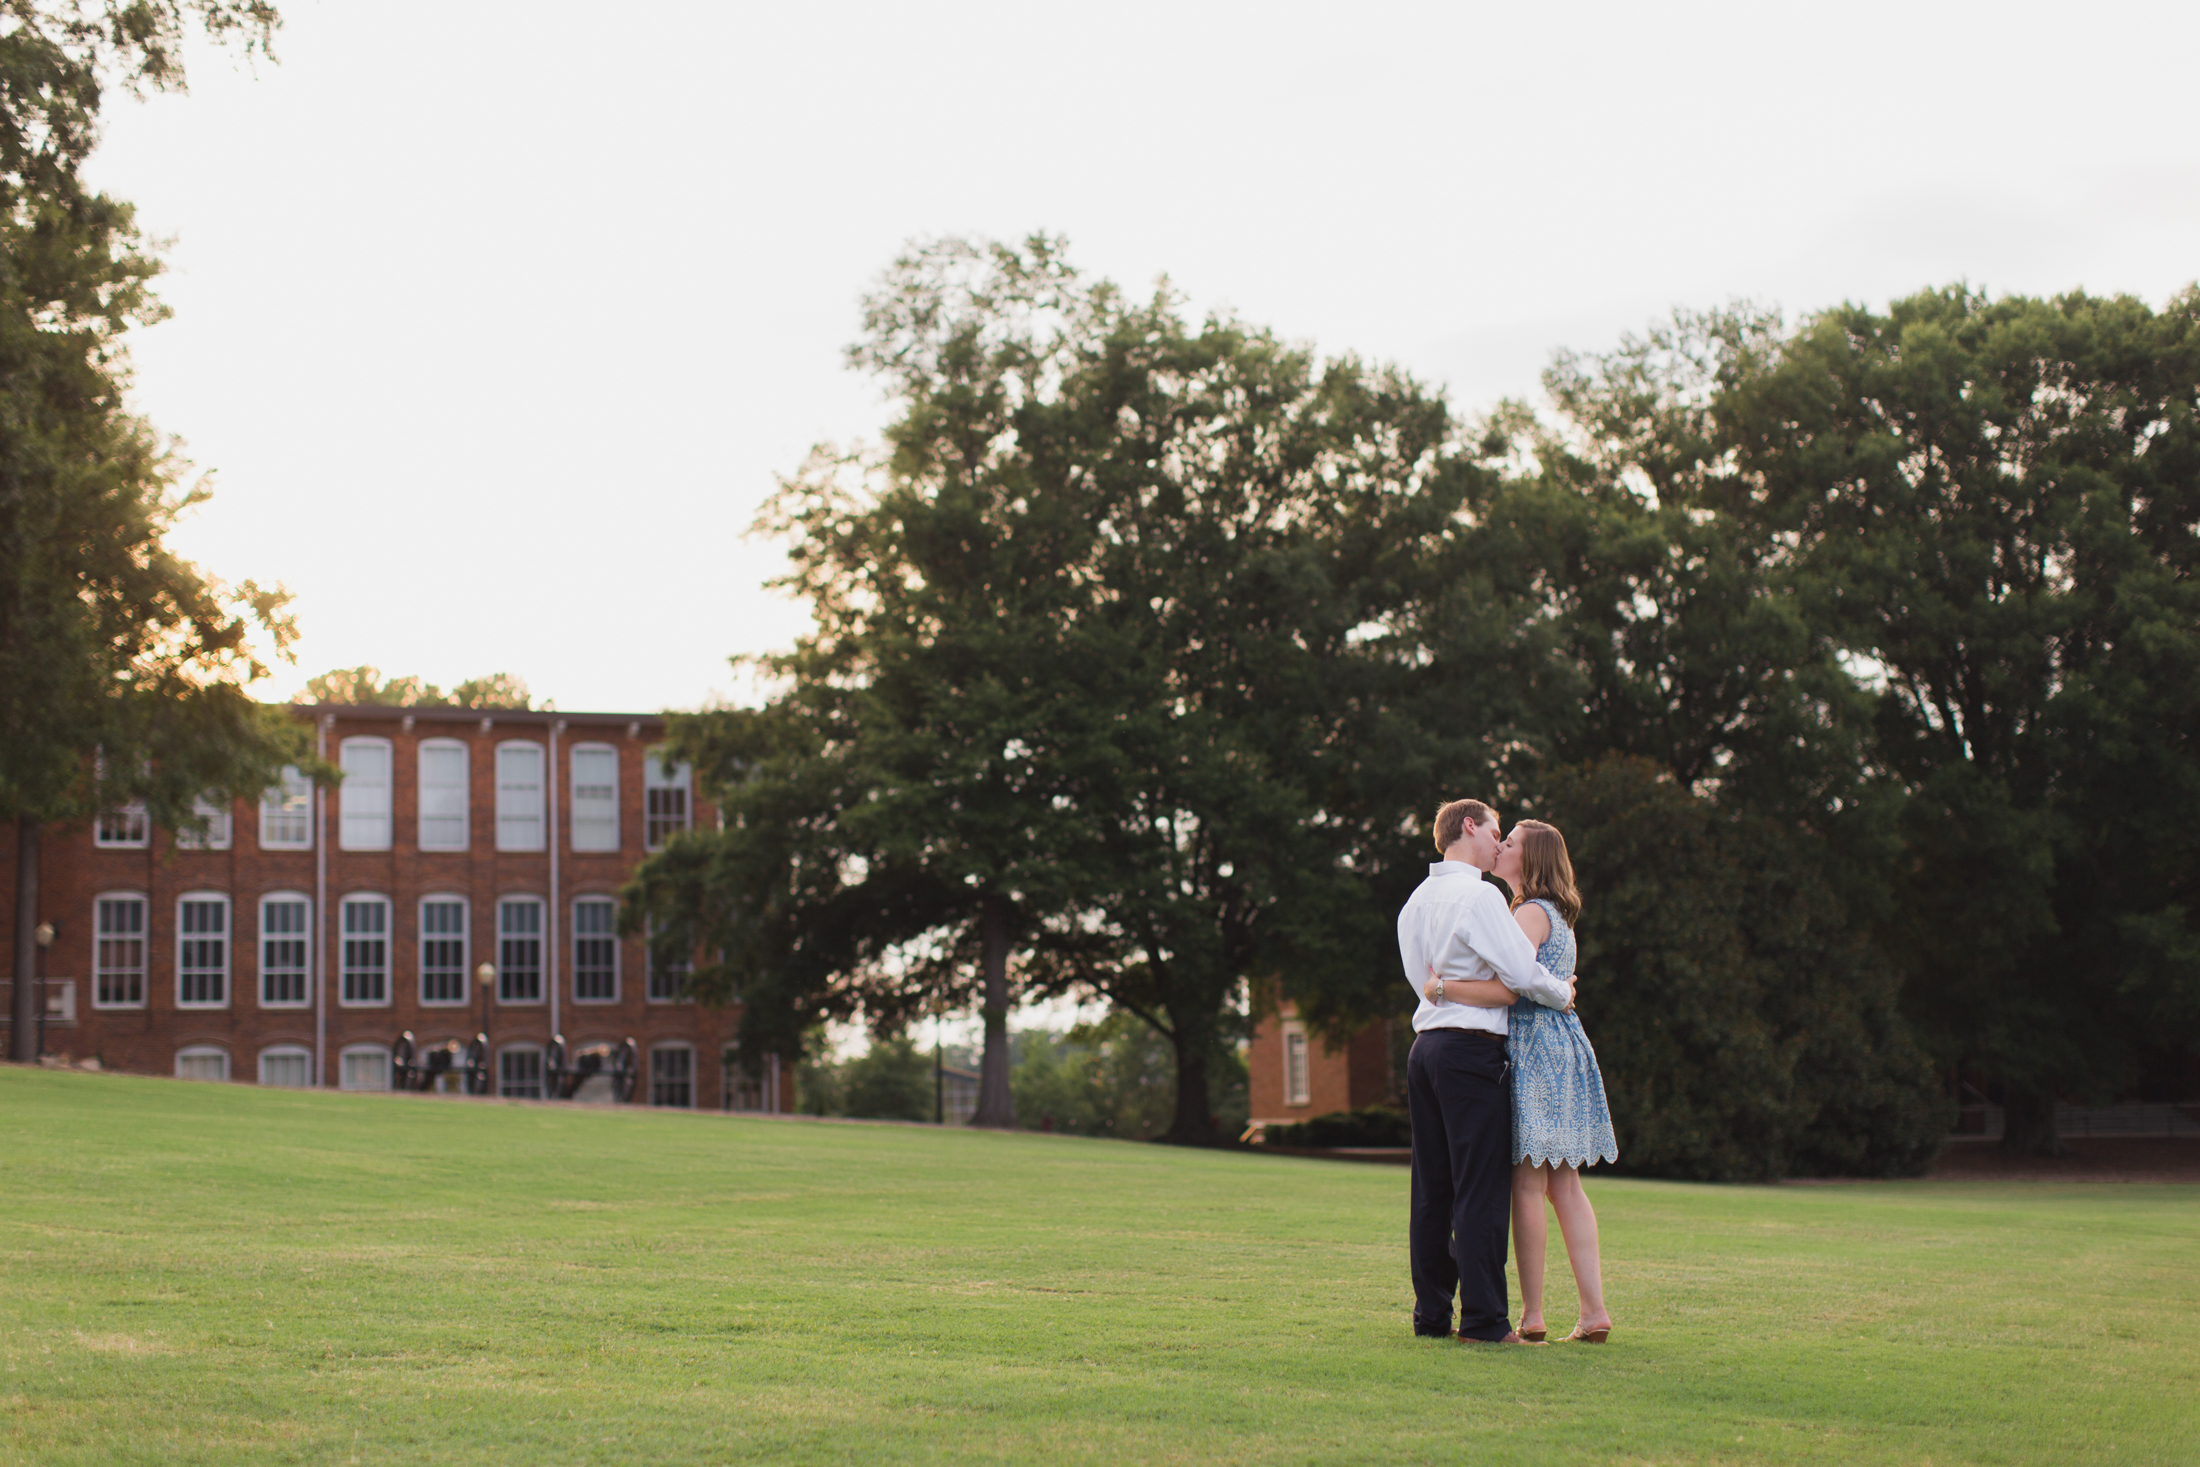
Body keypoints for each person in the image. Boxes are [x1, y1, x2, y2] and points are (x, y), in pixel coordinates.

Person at [1424, 819, 1616, 1344]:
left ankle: (1532, 1316)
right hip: (1565, 1046)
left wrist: (1442, 986)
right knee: (1565, 1186)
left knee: (1528, 1186)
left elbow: (1511, 982)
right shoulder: (1551, 913)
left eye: (1510, 844)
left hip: (1536, 1049)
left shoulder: (1528, 913)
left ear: (1530, 862)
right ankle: (1593, 1312)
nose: (1499, 846)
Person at [1400, 799, 1578, 1344]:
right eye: (1495, 831)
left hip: (1426, 1047)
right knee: (1480, 1188)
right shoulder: (1481, 894)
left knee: (1431, 1189)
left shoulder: (1414, 902)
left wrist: (1444, 994)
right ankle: (1483, 1322)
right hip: (1470, 1051)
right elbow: (1524, 974)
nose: (1499, 843)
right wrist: (1562, 992)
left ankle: (1432, 1317)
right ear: (1468, 826)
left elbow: (1420, 982)